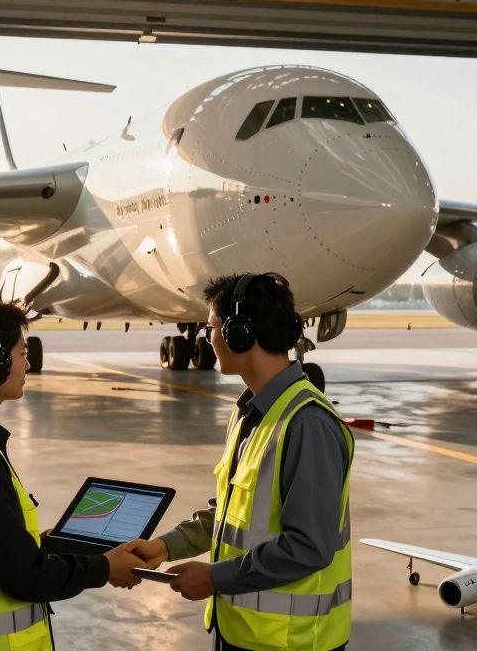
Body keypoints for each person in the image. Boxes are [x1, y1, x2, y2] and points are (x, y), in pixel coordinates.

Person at [131, 273, 354, 651]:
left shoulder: (306, 423)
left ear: (240, 334)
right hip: (243, 632)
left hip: (292, 642)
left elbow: (309, 546)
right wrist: (166, 547)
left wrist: (217, 578)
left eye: (213, 328)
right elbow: (230, 514)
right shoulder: (252, 412)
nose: (209, 339)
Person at [0, 301, 147, 650]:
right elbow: (25, 578)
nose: (29, 364)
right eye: (22, 353)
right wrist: (104, 568)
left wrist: (36, 544)